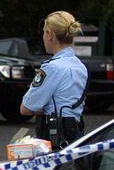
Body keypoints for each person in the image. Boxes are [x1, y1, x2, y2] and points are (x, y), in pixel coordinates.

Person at [20, 11, 88, 150]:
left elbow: (26, 108)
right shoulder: (80, 66)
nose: (43, 37)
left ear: (50, 34)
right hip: (76, 134)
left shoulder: (52, 68)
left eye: (44, 32)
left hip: (55, 138)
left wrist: (43, 107)